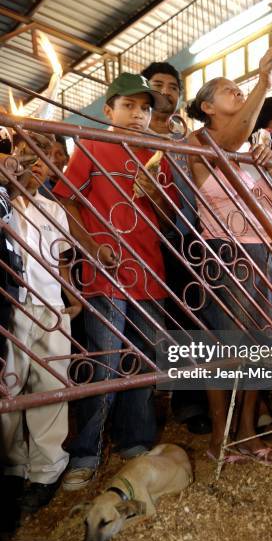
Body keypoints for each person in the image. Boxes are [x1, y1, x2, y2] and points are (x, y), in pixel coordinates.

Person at [54, 73, 179, 490]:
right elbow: (66, 197)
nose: (139, 114)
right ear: (108, 110)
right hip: (105, 273)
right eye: (129, 106)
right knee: (105, 363)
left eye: (145, 108)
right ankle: (86, 452)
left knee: (143, 360)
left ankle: (135, 442)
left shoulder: (157, 153)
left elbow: (169, 222)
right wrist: (90, 245)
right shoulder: (92, 143)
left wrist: (155, 194)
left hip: (151, 271)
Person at [186, 60, 272, 462]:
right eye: (228, 89)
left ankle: (246, 428)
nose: (238, 92)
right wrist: (263, 80)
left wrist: (271, 166)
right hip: (228, 250)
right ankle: (218, 435)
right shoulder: (198, 141)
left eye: (240, 88)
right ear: (207, 106)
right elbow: (228, 142)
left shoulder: (253, 144)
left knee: (263, 343)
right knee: (226, 344)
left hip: (263, 248)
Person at [0, 155, 81, 514]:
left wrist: (71, 294)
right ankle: (12, 468)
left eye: (44, 159)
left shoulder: (54, 209)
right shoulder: (4, 204)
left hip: (50, 308)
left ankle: (46, 471)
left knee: (50, 386)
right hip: (10, 306)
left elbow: (62, 259)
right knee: (8, 388)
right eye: (29, 154)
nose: (36, 164)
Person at [141, 61, 210, 434]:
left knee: (190, 320)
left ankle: (193, 402)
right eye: (157, 84)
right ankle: (148, 404)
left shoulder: (187, 141)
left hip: (189, 235)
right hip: (146, 239)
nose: (166, 91)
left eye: (172, 87)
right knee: (157, 324)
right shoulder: (130, 133)